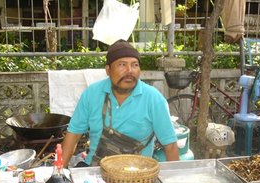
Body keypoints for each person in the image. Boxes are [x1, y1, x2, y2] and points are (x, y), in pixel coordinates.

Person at [62, 39, 179, 167]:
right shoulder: (91, 94)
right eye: (122, 65)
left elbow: (170, 145)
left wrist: (174, 180)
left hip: (136, 177)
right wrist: (59, 171)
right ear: (108, 70)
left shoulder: (153, 99)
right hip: (95, 172)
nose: (129, 70)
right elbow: (73, 135)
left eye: (135, 65)